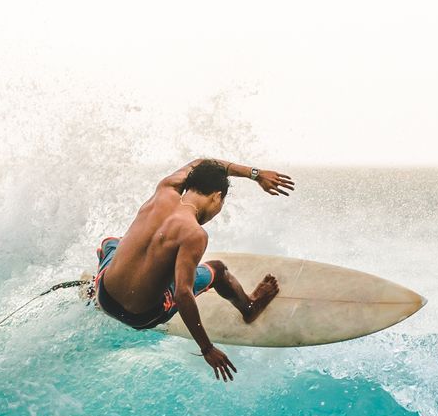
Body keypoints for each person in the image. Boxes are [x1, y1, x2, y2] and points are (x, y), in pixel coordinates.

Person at [91, 158, 294, 381]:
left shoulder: (165, 188)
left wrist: (255, 174)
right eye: (221, 203)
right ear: (216, 197)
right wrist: (207, 348)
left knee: (110, 243)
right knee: (217, 269)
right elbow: (182, 293)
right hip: (141, 316)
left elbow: (202, 161)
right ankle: (249, 307)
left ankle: (94, 292)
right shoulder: (193, 234)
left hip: (105, 296)